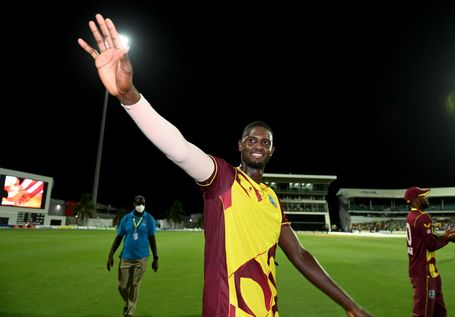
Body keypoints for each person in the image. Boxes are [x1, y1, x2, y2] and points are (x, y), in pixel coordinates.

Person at [79, 14, 372, 317]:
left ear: (272, 151)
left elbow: (299, 254)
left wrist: (350, 305)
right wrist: (129, 95)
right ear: (240, 145)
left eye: (265, 142)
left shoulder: (273, 200)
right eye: (252, 139)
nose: (258, 144)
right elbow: (179, 149)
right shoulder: (223, 179)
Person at [404, 186, 455, 317]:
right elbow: (430, 245)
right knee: (423, 314)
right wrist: (448, 239)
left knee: (440, 312)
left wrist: (443, 237)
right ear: (415, 200)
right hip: (424, 274)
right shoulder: (422, 217)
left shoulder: (410, 216)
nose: (426, 198)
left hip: (428, 272)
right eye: (423, 196)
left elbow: (426, 239)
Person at [107, 195, 159, 317]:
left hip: (142, 258)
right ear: (133, 204)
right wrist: (110, 255)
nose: (141, 206)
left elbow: (152, 239)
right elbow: (118, 238)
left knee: (134, 285)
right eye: (138, 203)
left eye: (143, 203)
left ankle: (129, 313)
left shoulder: (149, 219)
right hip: (125, 257)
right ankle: (128, 302)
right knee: (121, 286)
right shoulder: (126, 219)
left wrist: (156, 258)